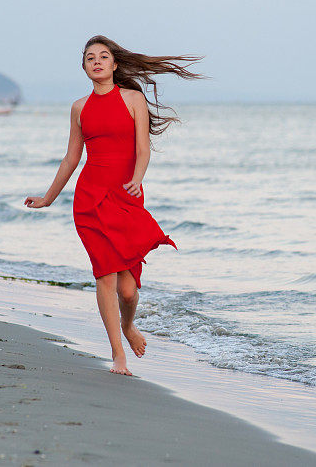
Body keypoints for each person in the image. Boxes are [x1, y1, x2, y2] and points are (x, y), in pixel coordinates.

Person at [24, 35, 206, 376]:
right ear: (84, 68)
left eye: (103, 57)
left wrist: (138, 178)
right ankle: (117, 354)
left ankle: (128, 325)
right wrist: (48, 198)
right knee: (105, 278)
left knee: (127, 290)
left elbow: (143, 149)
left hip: (126, 197)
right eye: (90, 58)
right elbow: (70, 159)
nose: (97, 62)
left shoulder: (133, 99)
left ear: (115, 64)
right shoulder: (79, 108)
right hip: (89, 201)